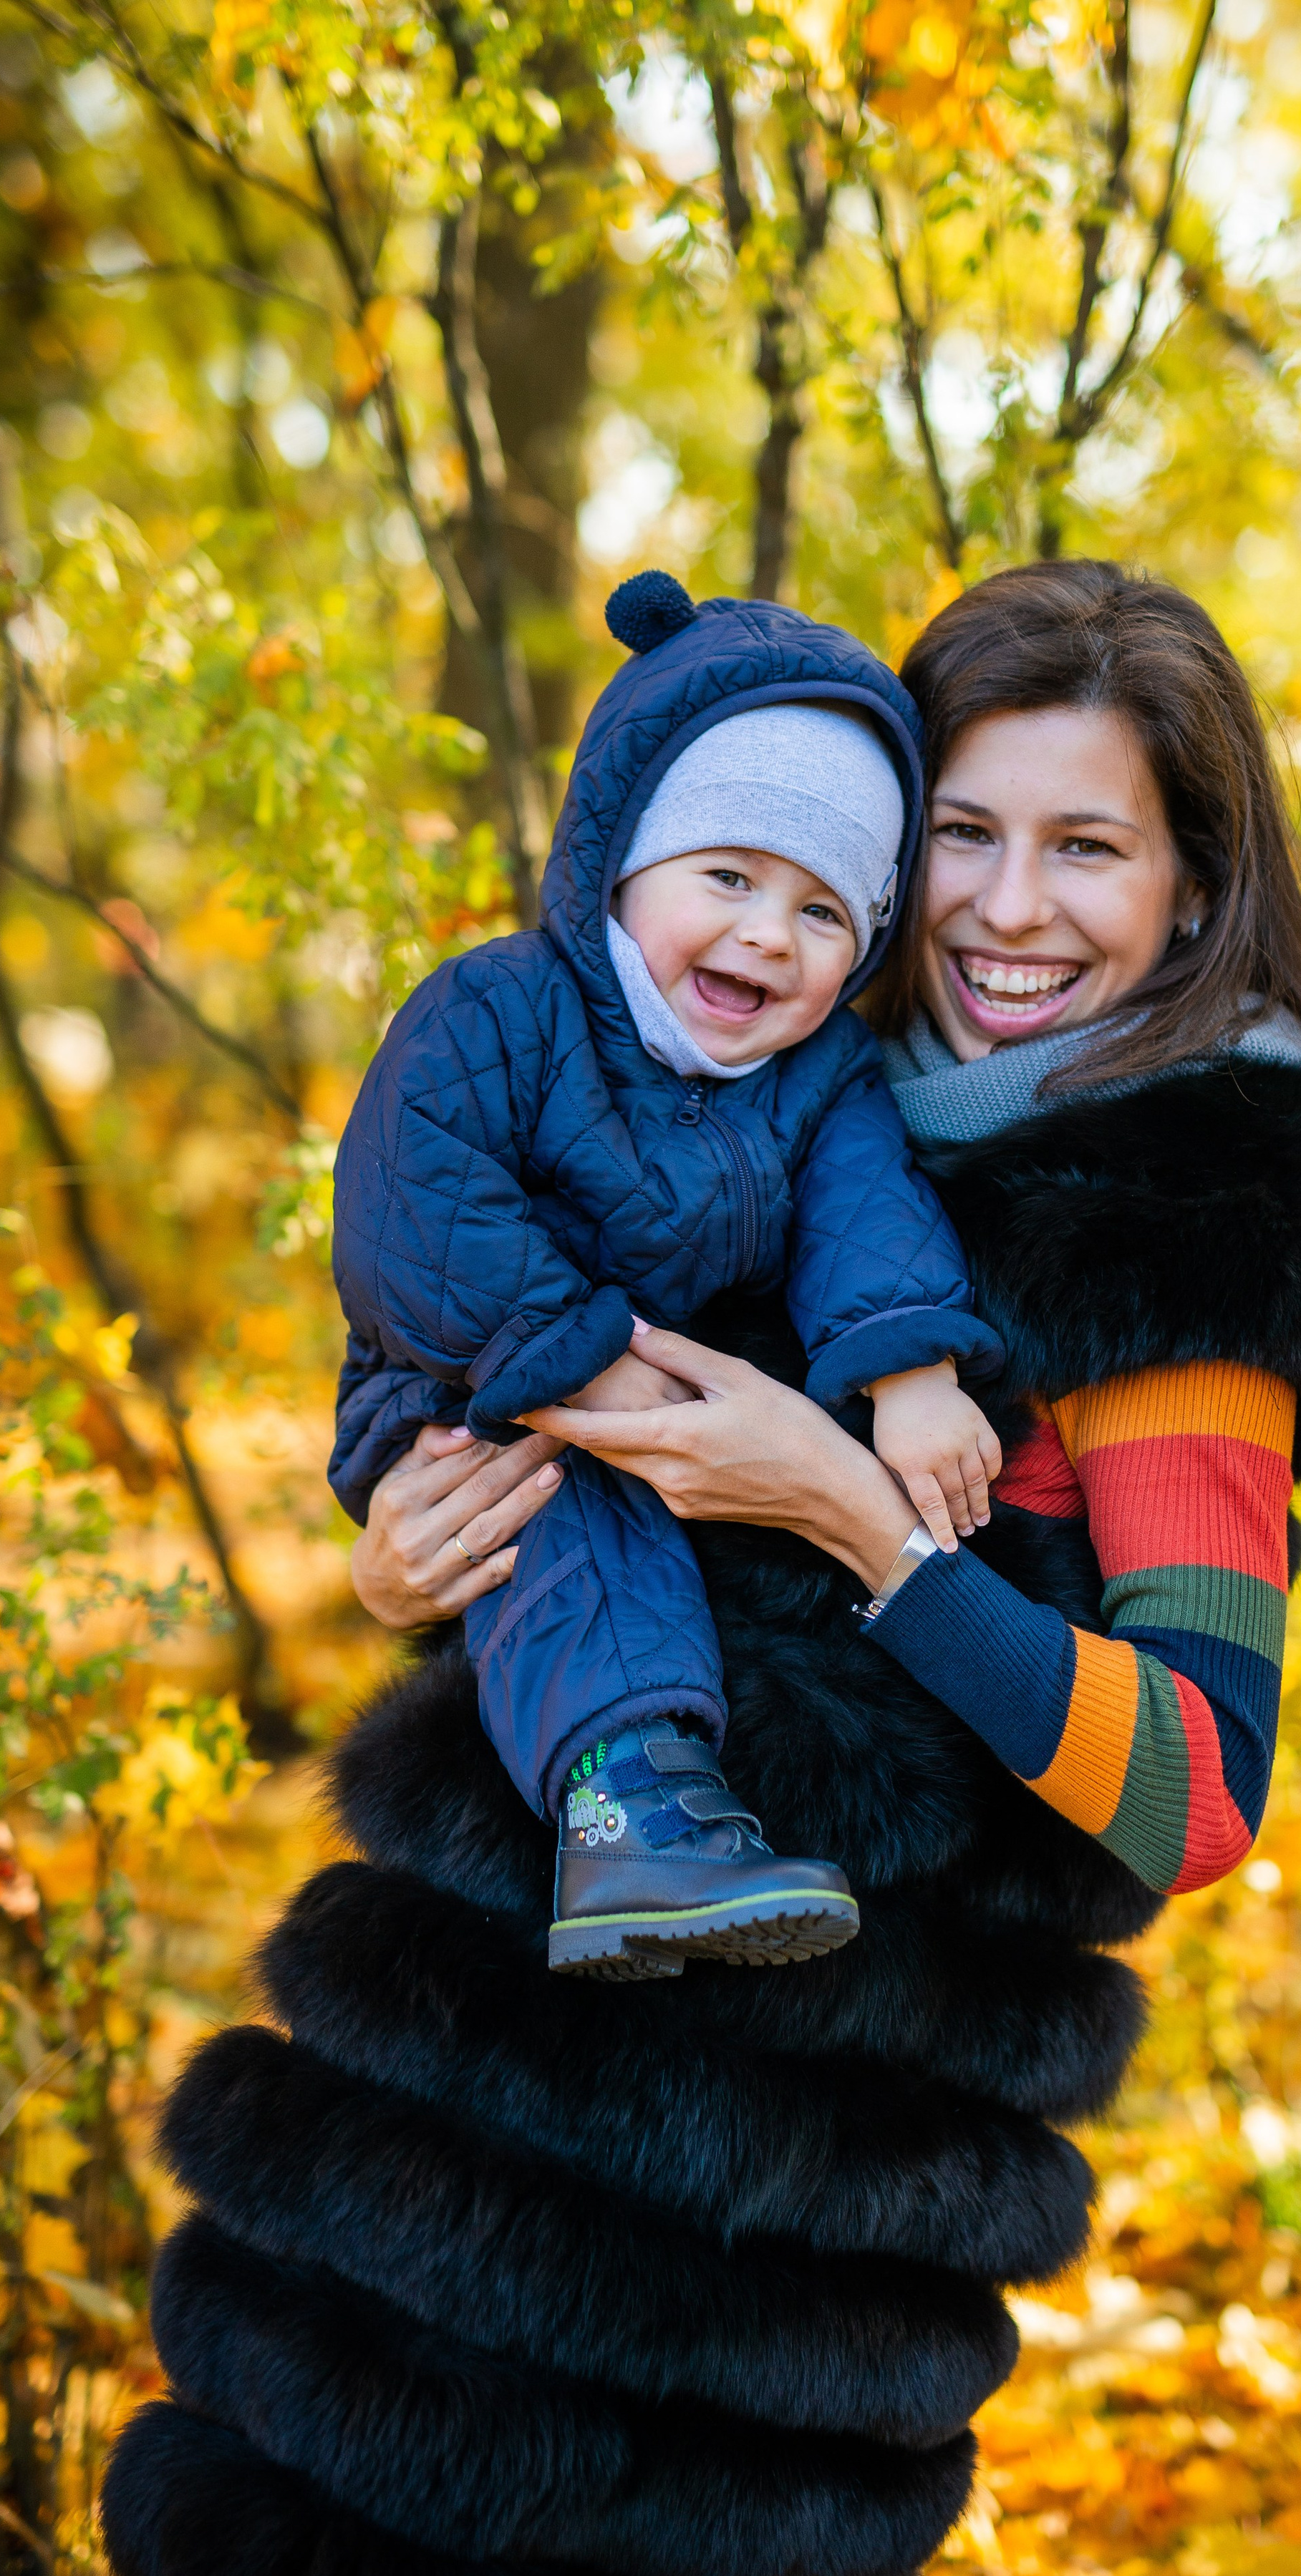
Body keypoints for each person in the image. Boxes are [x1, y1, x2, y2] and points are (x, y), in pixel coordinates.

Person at [103, 559, 1301, 2576]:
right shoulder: (761, 1068)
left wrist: (853, 1514)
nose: (1007, 908)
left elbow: (1197, 1790)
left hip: (790, 2245)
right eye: (965, 838)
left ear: (1193, 893)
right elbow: (503, 1383)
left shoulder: (1183, 1256)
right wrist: (412, 1544)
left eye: (1087, 845)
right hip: (466, 2116)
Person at [330, 570, 1002, 1977]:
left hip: (666, 1396)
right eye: (729, 877)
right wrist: (587, 1355)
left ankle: (687, 1831)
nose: (767, 932)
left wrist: (913, 1371)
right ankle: (628, 1803)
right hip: (477, 1378)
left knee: (641, 1517)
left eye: (825, 913)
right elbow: (416, 1206)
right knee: (563, 1525)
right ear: (623, 859)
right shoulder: (500, 1010)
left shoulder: (819, 1079)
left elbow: (862, 1210)